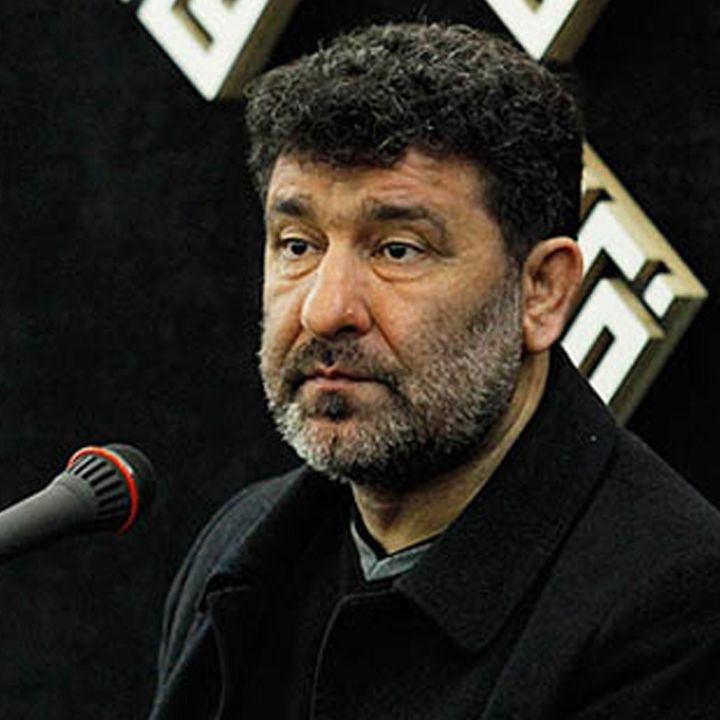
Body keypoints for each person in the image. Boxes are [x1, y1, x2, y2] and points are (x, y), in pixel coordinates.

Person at [149, 22, 720, 719]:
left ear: (542, 290)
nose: (326, 309)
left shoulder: (673, 607)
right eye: (298, 244)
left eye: (397, 249)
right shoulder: (240, 548)